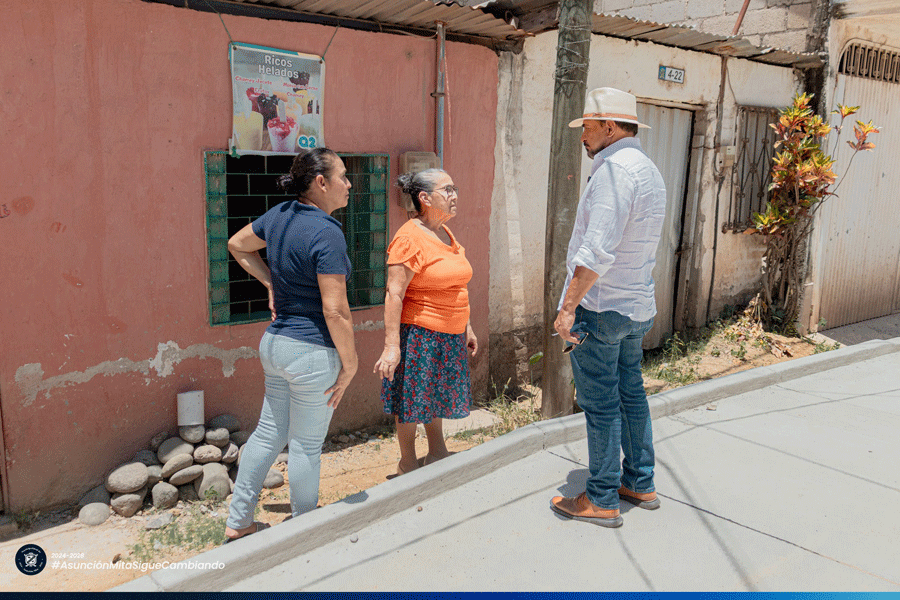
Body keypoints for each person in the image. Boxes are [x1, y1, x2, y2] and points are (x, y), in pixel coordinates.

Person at [224, 148, 358, 542]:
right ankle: (303, 531)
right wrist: (350, 364)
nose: (349, 184)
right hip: (312, 351)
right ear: (321, 182)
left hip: (276, 345)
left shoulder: (279, 215)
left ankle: (238, 522)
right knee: (305, 446)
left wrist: (270, 282)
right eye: (343, 176)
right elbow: (336, 310)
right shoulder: (327, 232)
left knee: (268, 434)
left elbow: (237, 244)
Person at [549, 88, 667, 528]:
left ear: (610, 127)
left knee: (601, 405)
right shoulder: (649, 170)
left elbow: (596, 251)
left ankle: (600, 497)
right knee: (631, 395)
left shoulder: (615, 173)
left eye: (588, 127)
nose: (583, 135)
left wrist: (567, 308)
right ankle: (639, 481)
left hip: (601, 308)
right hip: (635, 306)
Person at [374, 169, 478, 476]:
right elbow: (394, 293)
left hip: (450, 332)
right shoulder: (410, 237)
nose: (454, 195)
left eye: (454, 188)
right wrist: (392, 346)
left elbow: (456, 285)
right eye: (447, 190)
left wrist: (467, 326)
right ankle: (407, 462)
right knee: (411, 398)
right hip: (420, 332)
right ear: (425, 198)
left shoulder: (444, 233)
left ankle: (437, 452)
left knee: (436, 395)